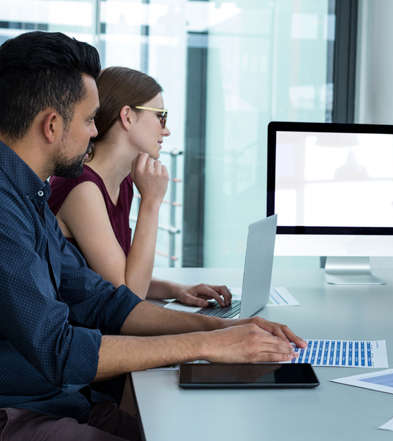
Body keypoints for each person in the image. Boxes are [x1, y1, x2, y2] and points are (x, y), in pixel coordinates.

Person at [0, 31, 307, 440]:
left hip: (60, 399)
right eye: (90, 120)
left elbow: (102, 299)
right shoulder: (6, 209)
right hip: (19, 411)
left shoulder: (30, 194)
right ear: (52, 125)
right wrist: (205, 346)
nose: (95, 132)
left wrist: (218, 331)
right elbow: (57, 349)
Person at [48, 66, 230, 307]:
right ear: (128, 116)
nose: (166, 129)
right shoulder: (82, 189)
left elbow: (119, 275)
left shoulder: (122, 181)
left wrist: (179, 289)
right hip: (80, 337)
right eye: (160, 116)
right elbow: (128, 297)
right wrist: (152, 203)